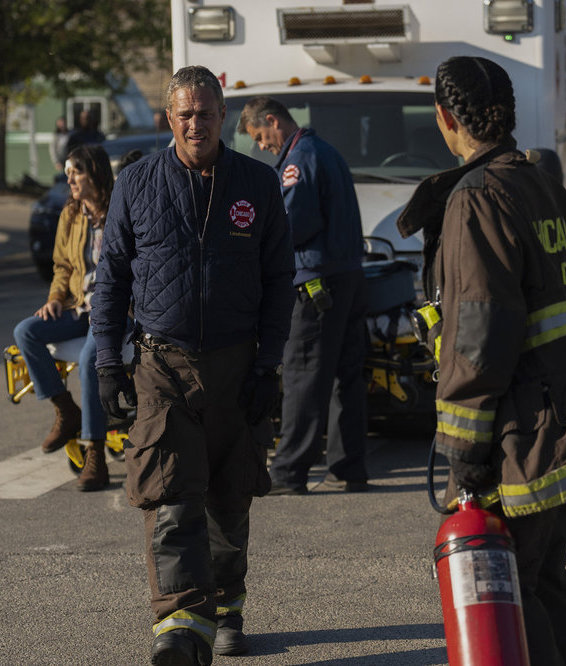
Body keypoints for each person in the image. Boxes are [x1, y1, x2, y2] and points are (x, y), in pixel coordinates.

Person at [396, 56, 566, 666]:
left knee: (518, 589)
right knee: (547, 580)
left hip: (522, 440)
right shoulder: (547, 188)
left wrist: (463, 448)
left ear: (444, 118)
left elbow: (478, 333)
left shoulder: (477, 200)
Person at [91, 66, 295, 665]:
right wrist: (108, 361)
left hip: (237, 364)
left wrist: (269, 367)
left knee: (230, 497)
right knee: (174, 496)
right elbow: (111, 280)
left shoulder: (257, 185)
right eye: (184, 114)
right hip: (162, 364)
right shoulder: (137, 184)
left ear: (223, 115)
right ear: (168, 119)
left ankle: (226, 609)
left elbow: (280, 281)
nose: (195, 124)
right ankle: (179, 627)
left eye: (205, 113)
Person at [238, 96, 369, 495]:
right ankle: (348, 467)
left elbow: (292, 226)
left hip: (315, 285)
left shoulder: (298, 162)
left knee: (303, 375)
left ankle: (289, 472)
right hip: (347, 278)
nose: (261, 146)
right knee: (345, 377)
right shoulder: (325, 151)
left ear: (273, 122)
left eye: (259, 137)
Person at [13, 144, 117, 492]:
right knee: (25, 331)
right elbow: (63, 266)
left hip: (114, 310)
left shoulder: (120, 211)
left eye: (77, 172)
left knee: (90, 358)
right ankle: (65, 408)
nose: (69, 179)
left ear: (96, 174)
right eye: (69, 172)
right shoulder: (70, 215)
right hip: (77, 306)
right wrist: (55, 298)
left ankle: (96, 456)